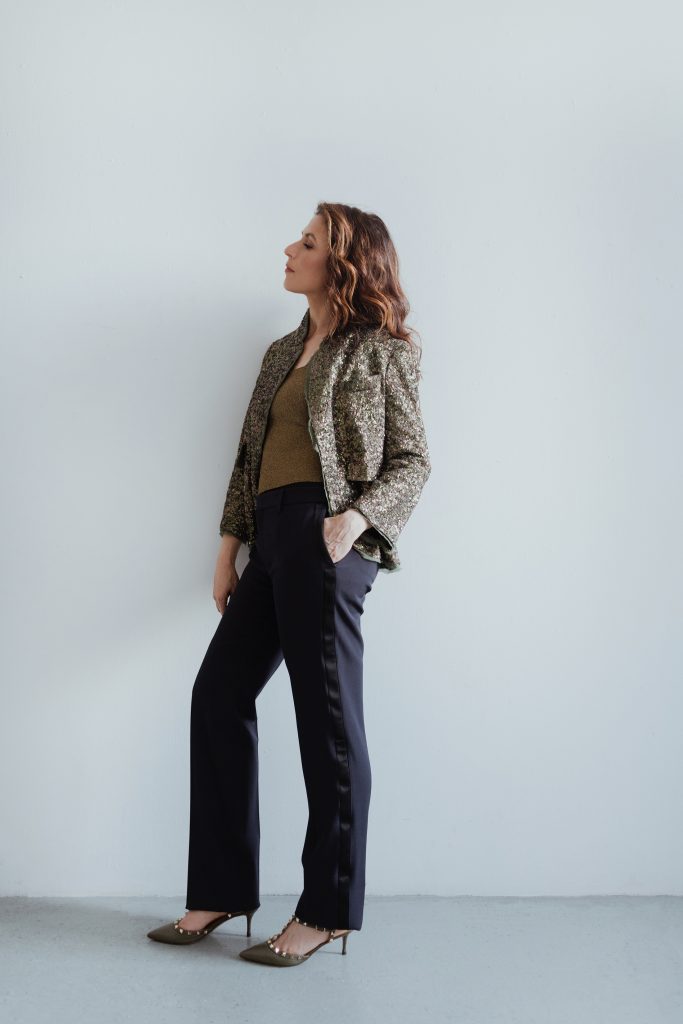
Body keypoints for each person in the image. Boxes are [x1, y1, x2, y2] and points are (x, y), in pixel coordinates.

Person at [147, 202, 431, 966]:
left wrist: (354, 521)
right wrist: (227, 548)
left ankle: (327, 909)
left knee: (326, 722)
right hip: (269, 537)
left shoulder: (381, 351)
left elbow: (413, 461)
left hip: (327, 538)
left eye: (305, 243)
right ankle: (220, 890)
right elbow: (248, 458)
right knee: (219, 695)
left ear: (341, 261)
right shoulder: (280, 351)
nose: (288, 249)